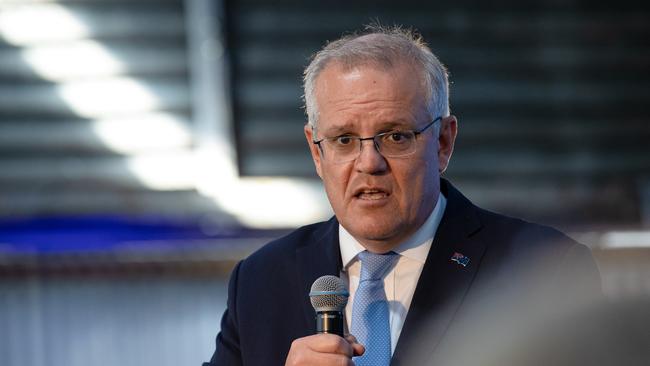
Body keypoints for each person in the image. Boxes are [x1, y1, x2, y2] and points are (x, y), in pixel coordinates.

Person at [203, 25, 601, 366]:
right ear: (316, 151)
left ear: (443, 142)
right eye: (344, 139)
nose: (369, 163)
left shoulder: (545, 271)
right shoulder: (260, 280)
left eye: (395, 136)